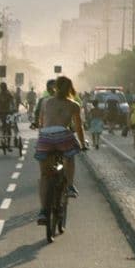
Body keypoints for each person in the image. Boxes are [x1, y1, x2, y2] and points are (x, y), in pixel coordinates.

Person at [34, 76, 87, 225]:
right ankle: (69, 185)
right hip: (63, 136)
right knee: (70, 156)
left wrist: (42, 138)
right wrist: (82, 144)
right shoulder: (74, 105)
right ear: (71, 88)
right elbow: (78, 128)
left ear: (55, 87)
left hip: (45, 138)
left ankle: (43, 211)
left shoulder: (46, 102)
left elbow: (41, 123)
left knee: (44, 175)